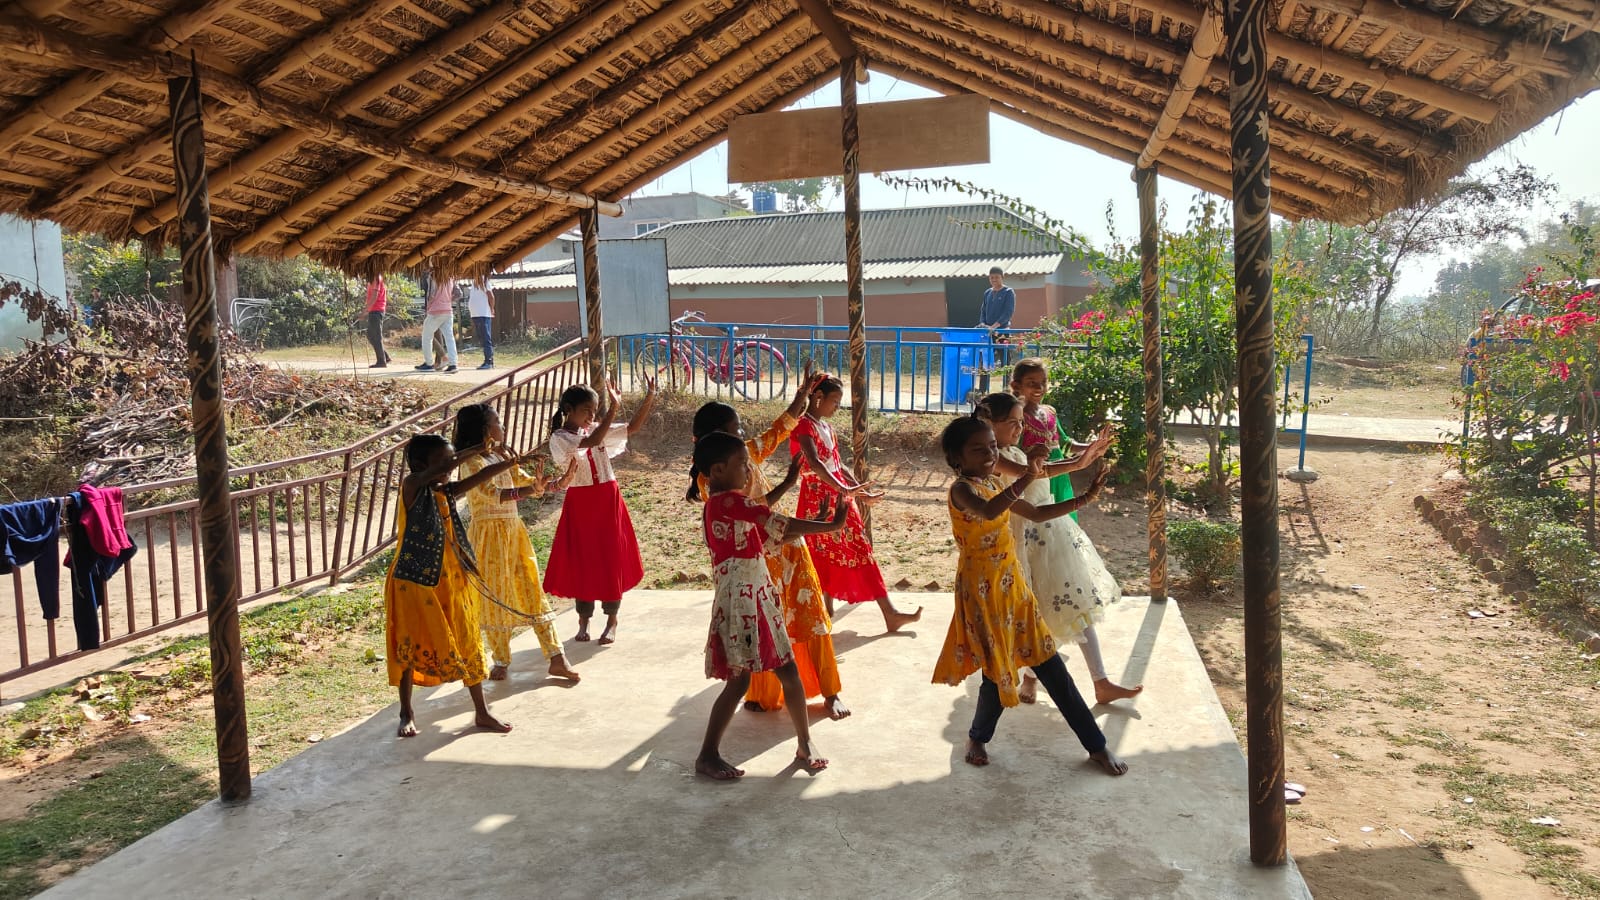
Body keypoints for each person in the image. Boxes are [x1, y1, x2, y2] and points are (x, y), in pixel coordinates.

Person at [934, 414, 1126, 775]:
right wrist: (1027, 475)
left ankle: (1096, 746)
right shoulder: (962, 490)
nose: (990, 454)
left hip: (1013, 586)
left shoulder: (994, 481)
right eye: (979, 449)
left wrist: (1085, 498)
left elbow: (1036, 513)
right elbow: (989, 511)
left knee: (1050, 667)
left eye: (993, 446)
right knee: (997, 670)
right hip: (983, 593)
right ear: (957, 458)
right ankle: (977, 737)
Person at [687, 371, 852, 720]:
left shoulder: (743, 454)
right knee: (766, 629)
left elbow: (779, 429)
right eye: (736, 430)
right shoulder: (711, 481)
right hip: (758, 559)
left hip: (786, 549)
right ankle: (763, 694)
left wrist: (801, 397)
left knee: (810, 616)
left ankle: (830, 691)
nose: (743, 436)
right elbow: (755, 512)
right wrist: (792, 491)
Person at [691, 431, 847, 779]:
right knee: (739, 682)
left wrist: (817, 524)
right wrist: (831, 525)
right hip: (741, 603)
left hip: (757, 597)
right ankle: (707, 755)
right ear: (717, 470)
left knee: (784, 671)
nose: (748, 471)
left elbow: (773, 535)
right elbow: (777, 522)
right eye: (742, 464)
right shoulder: (728, 503)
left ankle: (804, 744)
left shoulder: (730, 508)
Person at [973, 392, 1142, 706]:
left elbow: (1041, 471)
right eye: (1012, 423)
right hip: (1024, 541)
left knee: (1073, 604)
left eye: (1021, 423)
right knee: (1039, 614)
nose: (1020, 428)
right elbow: (1030, 475)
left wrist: (1081, 460)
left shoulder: (1013, 451)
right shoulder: (993, 460)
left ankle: (1100, 681)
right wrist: (1077, 467)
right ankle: (1026, 678)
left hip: (1050, 535)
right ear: (988, 422)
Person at [386, 433, 520, 738]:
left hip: (452, 579)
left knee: (468, 640)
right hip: (414, 582)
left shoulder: (445, 491)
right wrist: (475, 448)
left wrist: (508, 463)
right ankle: (406, 712)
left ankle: (482, 712)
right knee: (409, 643)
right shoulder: (411, 486)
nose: (450, 467)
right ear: (421, 465)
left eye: (451, 460)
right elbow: (445, 468)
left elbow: (479, 476)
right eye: (443, 461)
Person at [452, 403, 580, 684]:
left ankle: (556, 657)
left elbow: (530, 484)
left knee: (531, 589)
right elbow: (492, 493)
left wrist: (558, 483)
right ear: (485, 430)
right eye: (498, 422)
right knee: (497, 595)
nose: (503, 426)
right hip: (488, 536)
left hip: (513, 532)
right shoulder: (471, 463)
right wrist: (529, 489)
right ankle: (501, 658)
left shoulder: (500, 456)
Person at [789, 375, 921, 631]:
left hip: (837, 496)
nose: (837, 406)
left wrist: (859, 493)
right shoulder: (803, 426)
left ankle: (881, 613)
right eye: (835, 401)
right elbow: (814, 463)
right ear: (818, 398)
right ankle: (838, 610)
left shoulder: (826, 428)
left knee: (855, 549)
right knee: (823, 552)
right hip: (818, 497)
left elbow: (837, 466)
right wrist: (845, 489)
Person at [544, 380, 658, 645]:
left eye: (594, 410)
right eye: (586, 410)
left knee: (610, 557)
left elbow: (632, 428)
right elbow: (590, 442)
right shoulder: (560, 438)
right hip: (581, 501)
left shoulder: (596, 428)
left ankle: (611, 620)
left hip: (607, 498)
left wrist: (650, 395)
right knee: (583, 560)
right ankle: (583, 620)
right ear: (569, 409)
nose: (591, 416)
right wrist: (613, 408)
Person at [1011, 358, 1100, 507]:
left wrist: (1092, 447)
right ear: (1016, 386)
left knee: (1062, 516)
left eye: (1043, 382)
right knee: (1037, 517)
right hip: (1033, 481)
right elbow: (1013, 455)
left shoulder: (1050, 412)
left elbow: (1065, 445)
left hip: (1060, 478)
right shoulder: (1015, 418)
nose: (1039, 388)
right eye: (1032, 383)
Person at [417, 273, 458, 373]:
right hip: (448, 310)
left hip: (435, 310)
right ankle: (453, 364)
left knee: (427, 337)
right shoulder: (451, 277)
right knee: (449, 338)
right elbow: (458, 293)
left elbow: (431, 294)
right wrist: (448, 301)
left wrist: (428, 307)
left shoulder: (433, 276)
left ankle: (429, 363)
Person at [364, 275, 392, 368]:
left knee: (376, 336)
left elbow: (374, 295)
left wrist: (365, 310)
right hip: (374, 310)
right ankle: (385, 357)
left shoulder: (375, 278)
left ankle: (381, 361)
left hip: (376, 310)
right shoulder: (373, 278)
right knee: (370, 335)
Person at [467, 278, 495, 370]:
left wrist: (492, 309)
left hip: (483, 314)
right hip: (476, 315)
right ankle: (488, 360)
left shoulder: (484, 281)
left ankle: (489, 361)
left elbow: (491, 296)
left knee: (486, 338)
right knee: (482, 338)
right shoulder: (473, 282)